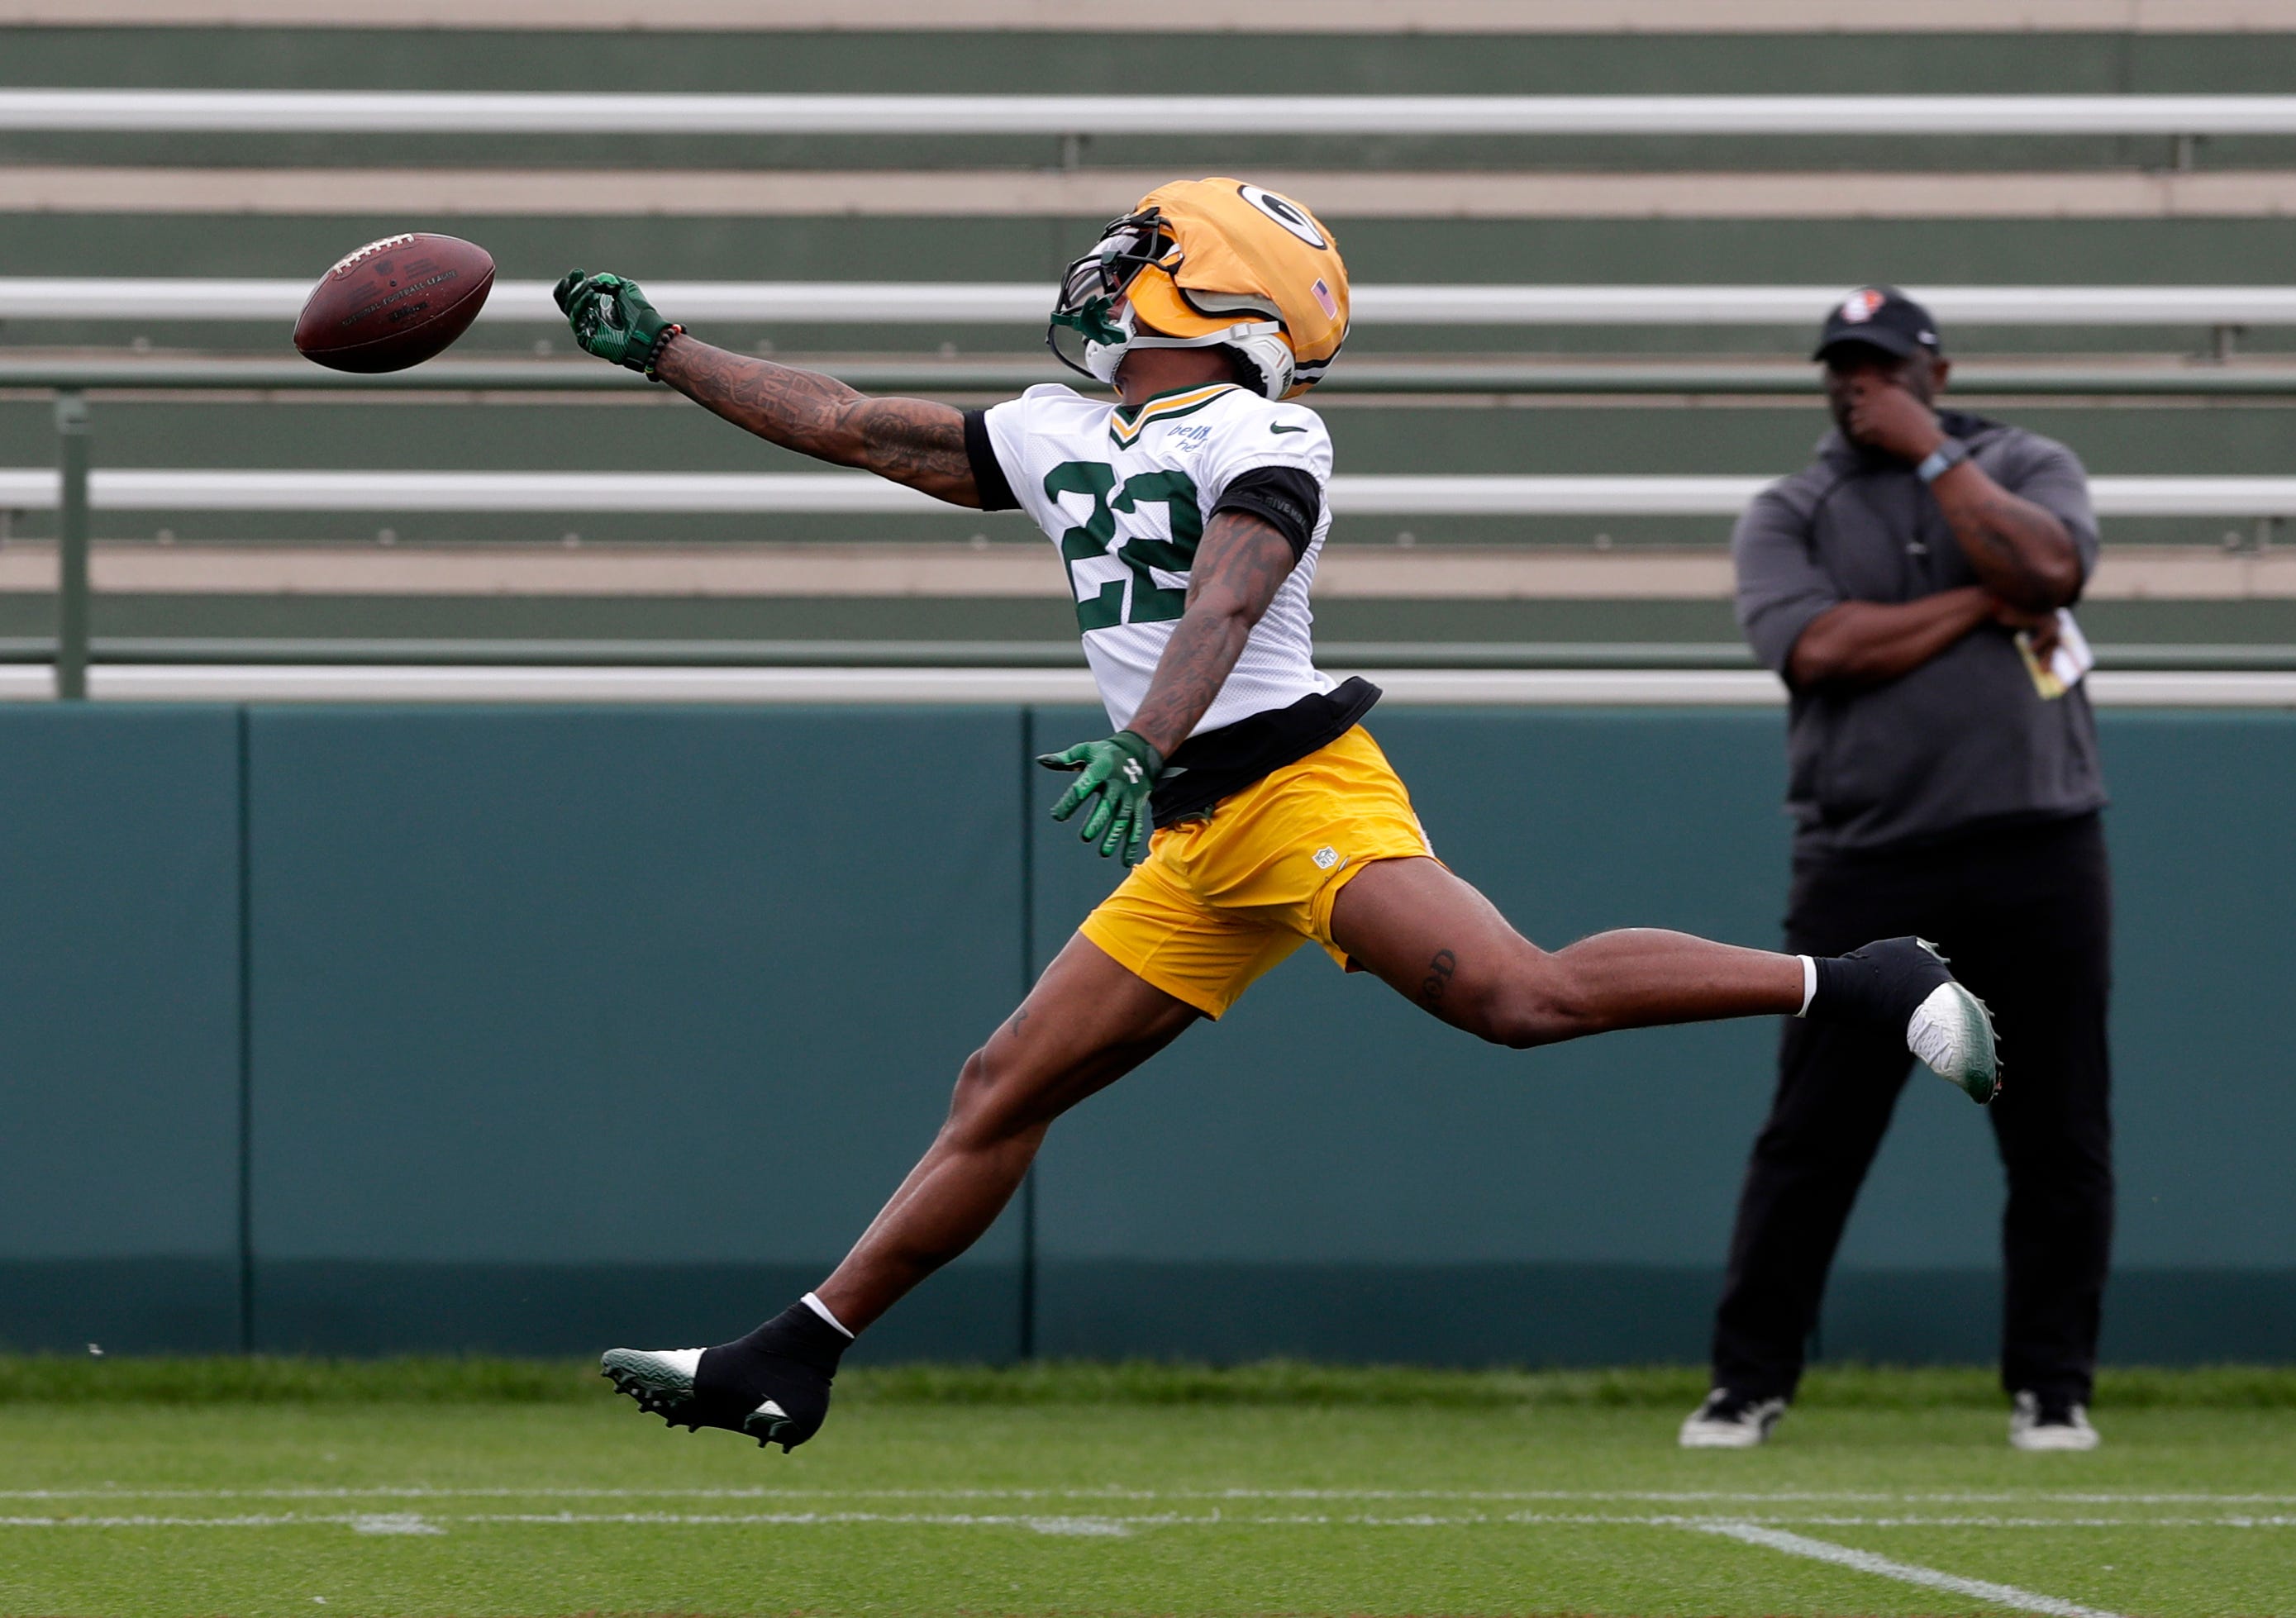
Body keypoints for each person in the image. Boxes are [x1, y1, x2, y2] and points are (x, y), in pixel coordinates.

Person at [554, 186, 1999, 1454]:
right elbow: (860, 427)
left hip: (1286, 786)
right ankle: (791, 1358)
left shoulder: (1266, 429)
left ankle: (1860, 978)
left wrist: (1140, 735)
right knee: (1005, 1084)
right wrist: (670, 351)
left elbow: (1228, 589)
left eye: (1144, 251)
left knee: (1520, 996)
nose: (1108, 270)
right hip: (1194, 823)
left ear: (1216, 284)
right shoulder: (1063, 424)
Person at [1681, 288, 2113, 1454]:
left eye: (1881, 364)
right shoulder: (1792, 505)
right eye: (1842, 367)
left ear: (1934, 368)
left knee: (2056, 1126)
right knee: (1812, 1131)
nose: (1859, 384)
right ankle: (1745, 1382)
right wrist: (1987, 599)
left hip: (2038, 841)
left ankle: (2052, 1388)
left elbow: (2053, 569)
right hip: (1864, 857)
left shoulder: (2025, 461)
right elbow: (1818, 649)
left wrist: (1936, 465)